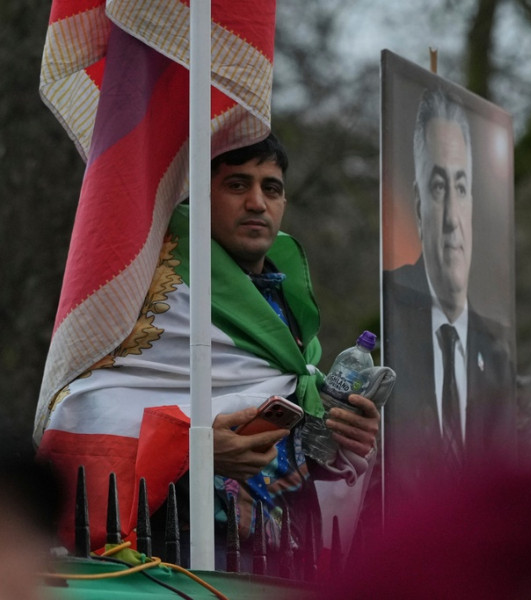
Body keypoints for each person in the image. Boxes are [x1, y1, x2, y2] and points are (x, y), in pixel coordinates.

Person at [34, 134, 380, 566]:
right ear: (197, 198)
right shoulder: (149, 291)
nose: (257, 202)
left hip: (284, 553)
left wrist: (347, 440)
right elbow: (81, 405)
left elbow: (290, 442)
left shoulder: (293, 315)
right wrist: (193, 450)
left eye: (271, 188)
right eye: (237, 185)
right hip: (173, 552)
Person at [382, 87, 516, 503]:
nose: (453, 221)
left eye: (461, 188)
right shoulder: (386, 310)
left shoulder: (495, 352)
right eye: (439, 189)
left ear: (473, 202)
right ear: (420, 207)